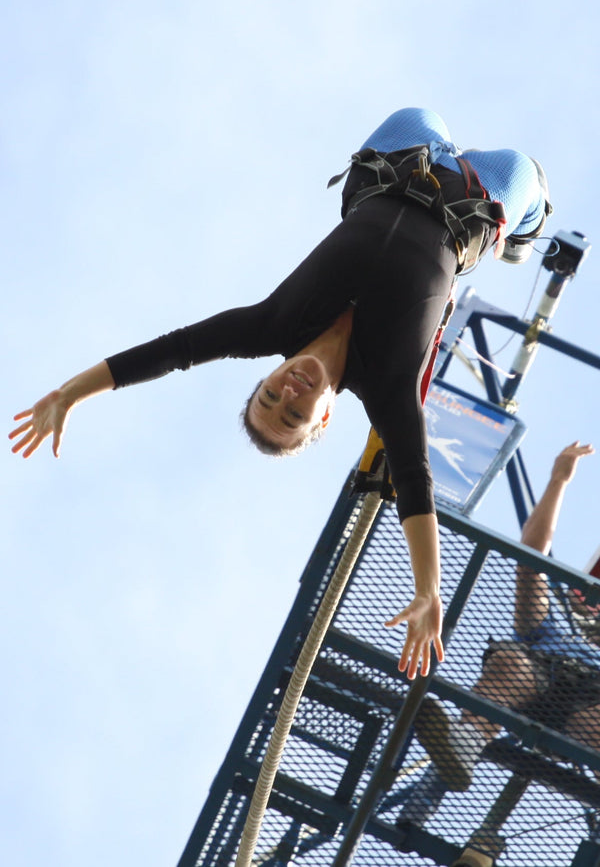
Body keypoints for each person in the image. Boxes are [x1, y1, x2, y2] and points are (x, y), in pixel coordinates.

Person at [9, 108, 551, 680]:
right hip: (474, 201)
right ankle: (523, 233)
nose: (288, 393)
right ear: (323, 419)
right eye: (294, 413)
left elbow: (173, 350)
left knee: (423, 110)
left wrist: (71, 393)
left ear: (264, 379)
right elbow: (414, 481)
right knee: (530, 179)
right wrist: (427, 590)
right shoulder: (389, 391)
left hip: (393, 161)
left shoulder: (268, 327)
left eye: (269, 397)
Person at [414, 441, 600, 791]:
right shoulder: (555, 635)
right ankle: (462, 745)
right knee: (510, 661)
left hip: (590, 707)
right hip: (542, 684)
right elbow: (531, 560)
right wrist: (558, 480)